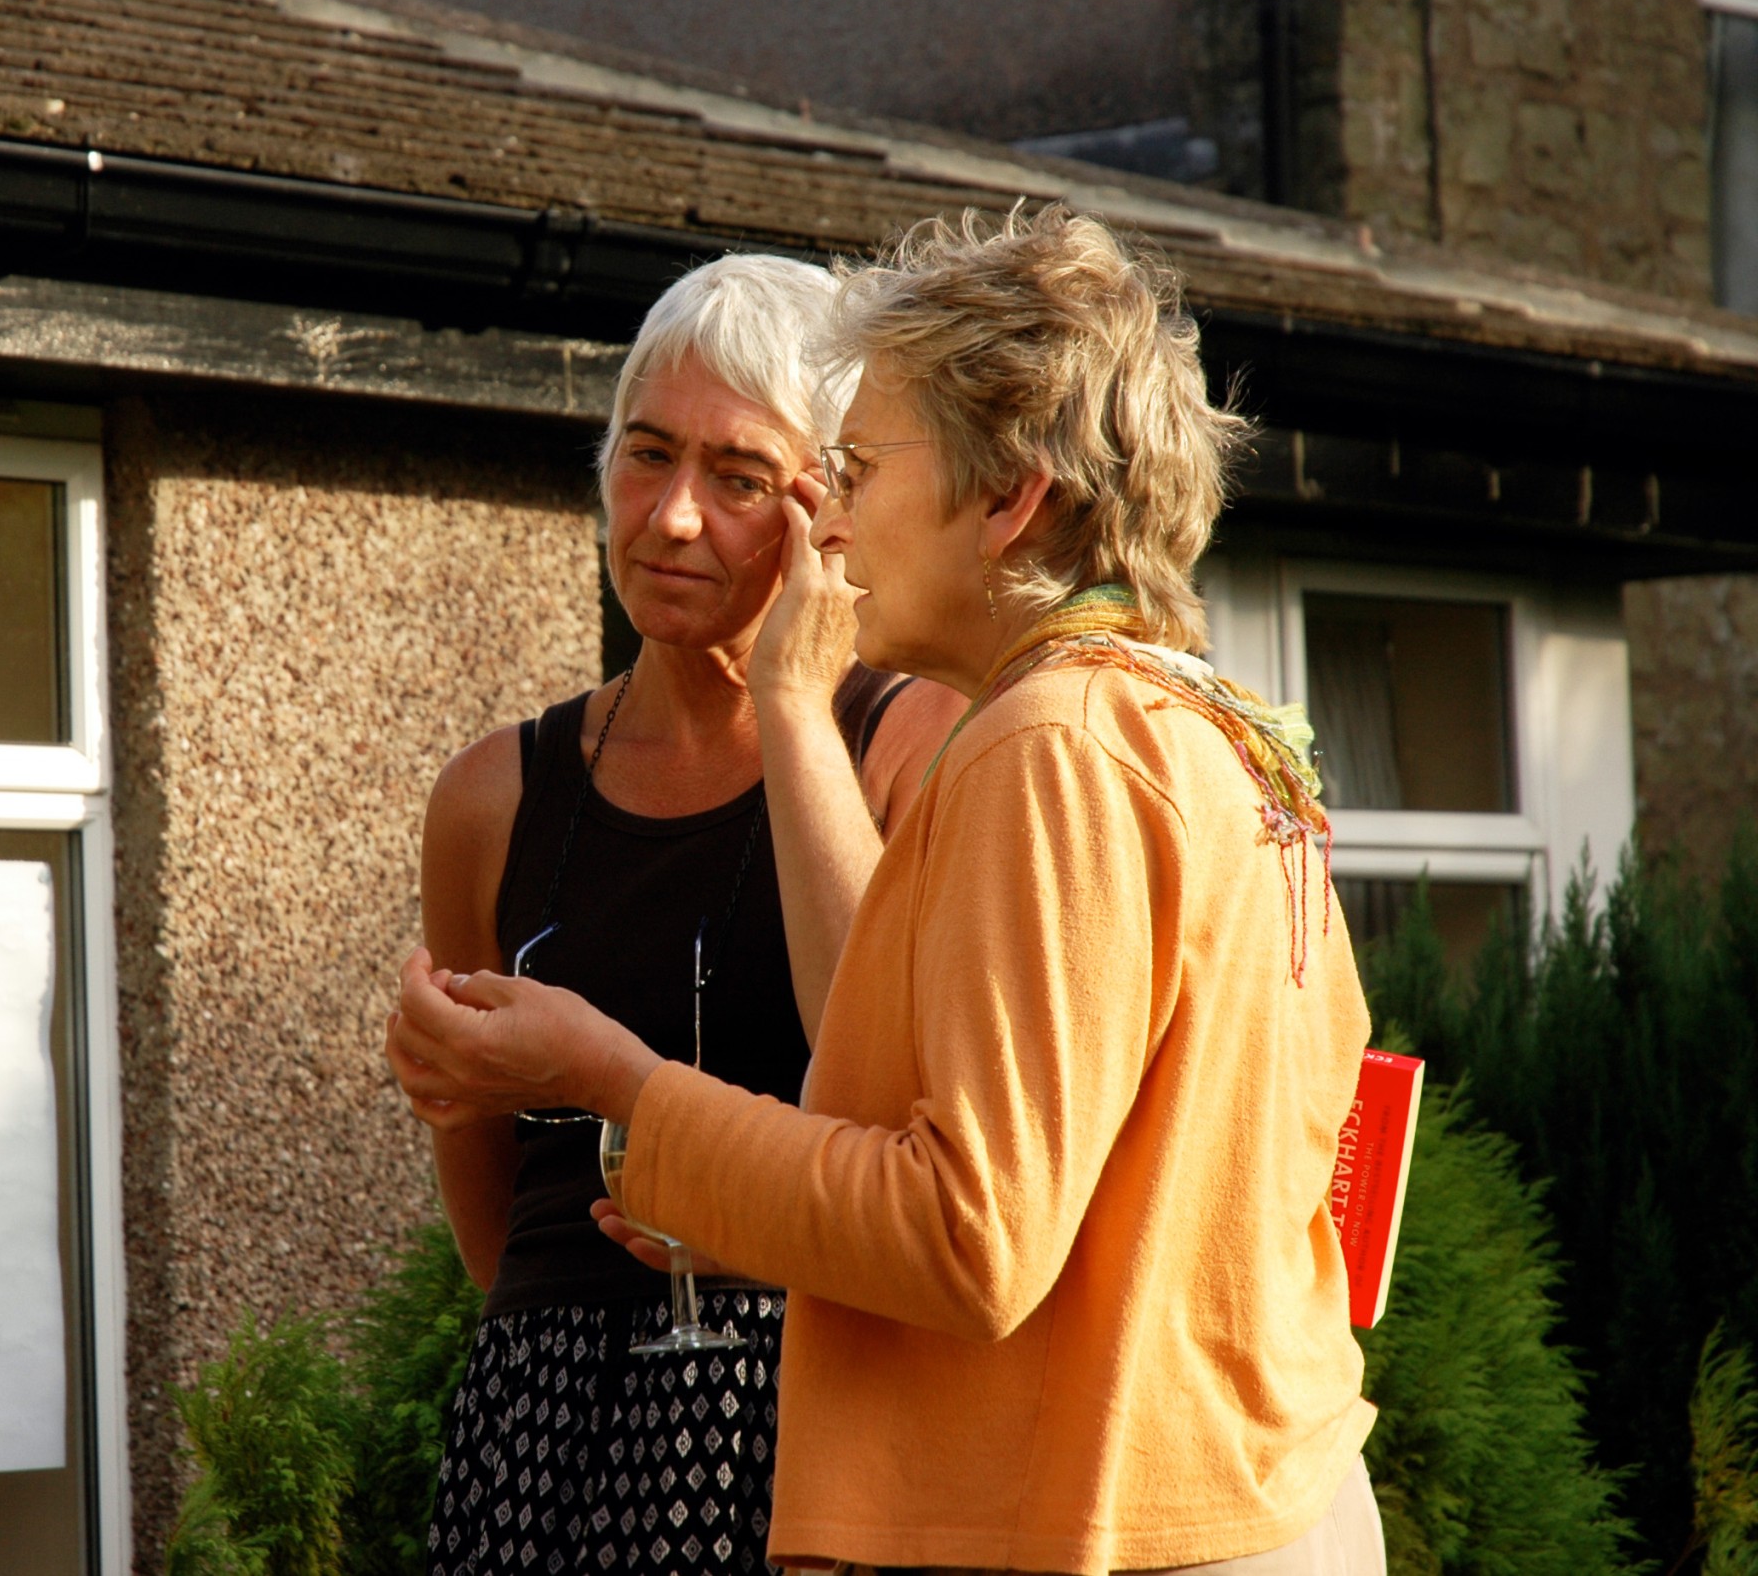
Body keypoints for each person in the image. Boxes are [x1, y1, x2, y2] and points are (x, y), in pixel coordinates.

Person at [391, 208, 1385, 1576]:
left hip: (1127, 1526)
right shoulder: (1212, 728)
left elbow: (968, 1233)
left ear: (1010, 496)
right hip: (1247, 1494)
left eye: (851, 468)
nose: (836, 521)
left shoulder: (1047, 746)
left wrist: (625, 1088)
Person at [402, 253, 964, 1575]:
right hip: (541, 1434)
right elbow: (494, 1221)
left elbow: (901, 1103)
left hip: (813, 1416)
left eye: (741, 476)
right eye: (646, 456)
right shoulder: (493, 794)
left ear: (829, 504)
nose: (672, 517)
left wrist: (792, 698)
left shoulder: (915, 746)